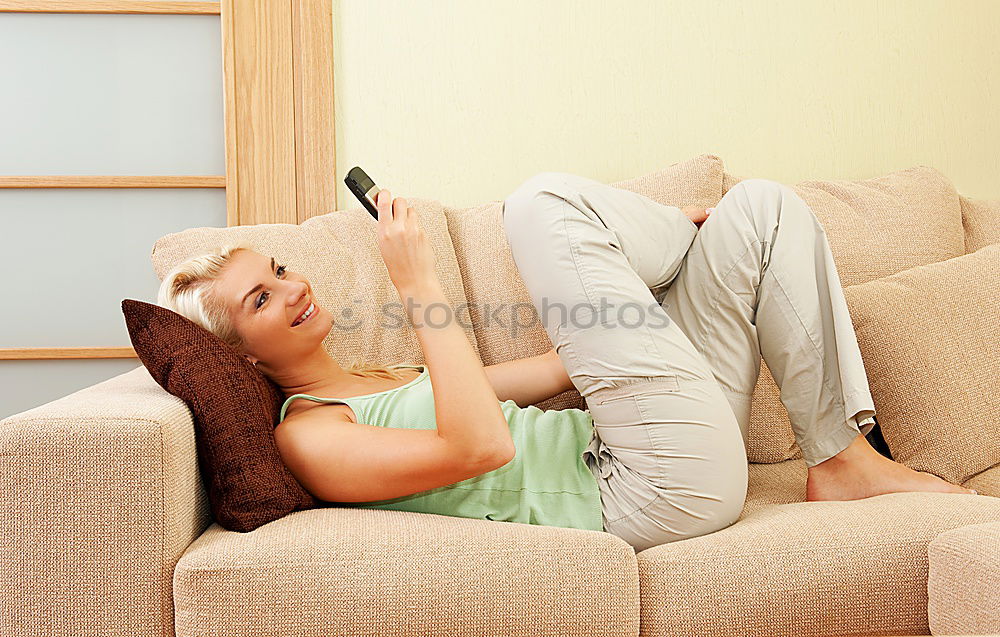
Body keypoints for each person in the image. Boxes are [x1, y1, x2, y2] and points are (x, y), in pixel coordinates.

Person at [158, 175, 977, 553]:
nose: (290, 287)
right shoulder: (312, 437)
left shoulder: (377, 377)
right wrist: (418, 281)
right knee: (537, 206)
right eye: (260, 301)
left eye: (277, 271)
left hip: (656, 442)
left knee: (761, 212)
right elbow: (479, 447)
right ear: (241, 356)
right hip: (637, 490)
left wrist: (642, 263)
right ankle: (669, 235)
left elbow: (557, 368)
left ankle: (841, 458)